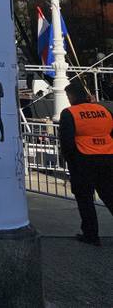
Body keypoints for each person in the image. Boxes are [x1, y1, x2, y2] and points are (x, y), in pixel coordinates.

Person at [59, 83, 113, 246]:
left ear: (72, 97)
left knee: (85, 199)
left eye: (68, 97)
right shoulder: (104, 110)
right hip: (108, 157)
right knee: (110, 196)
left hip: (83, 160)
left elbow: (67, 141)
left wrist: (70, 162)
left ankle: (91, 234)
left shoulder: (70, 113)